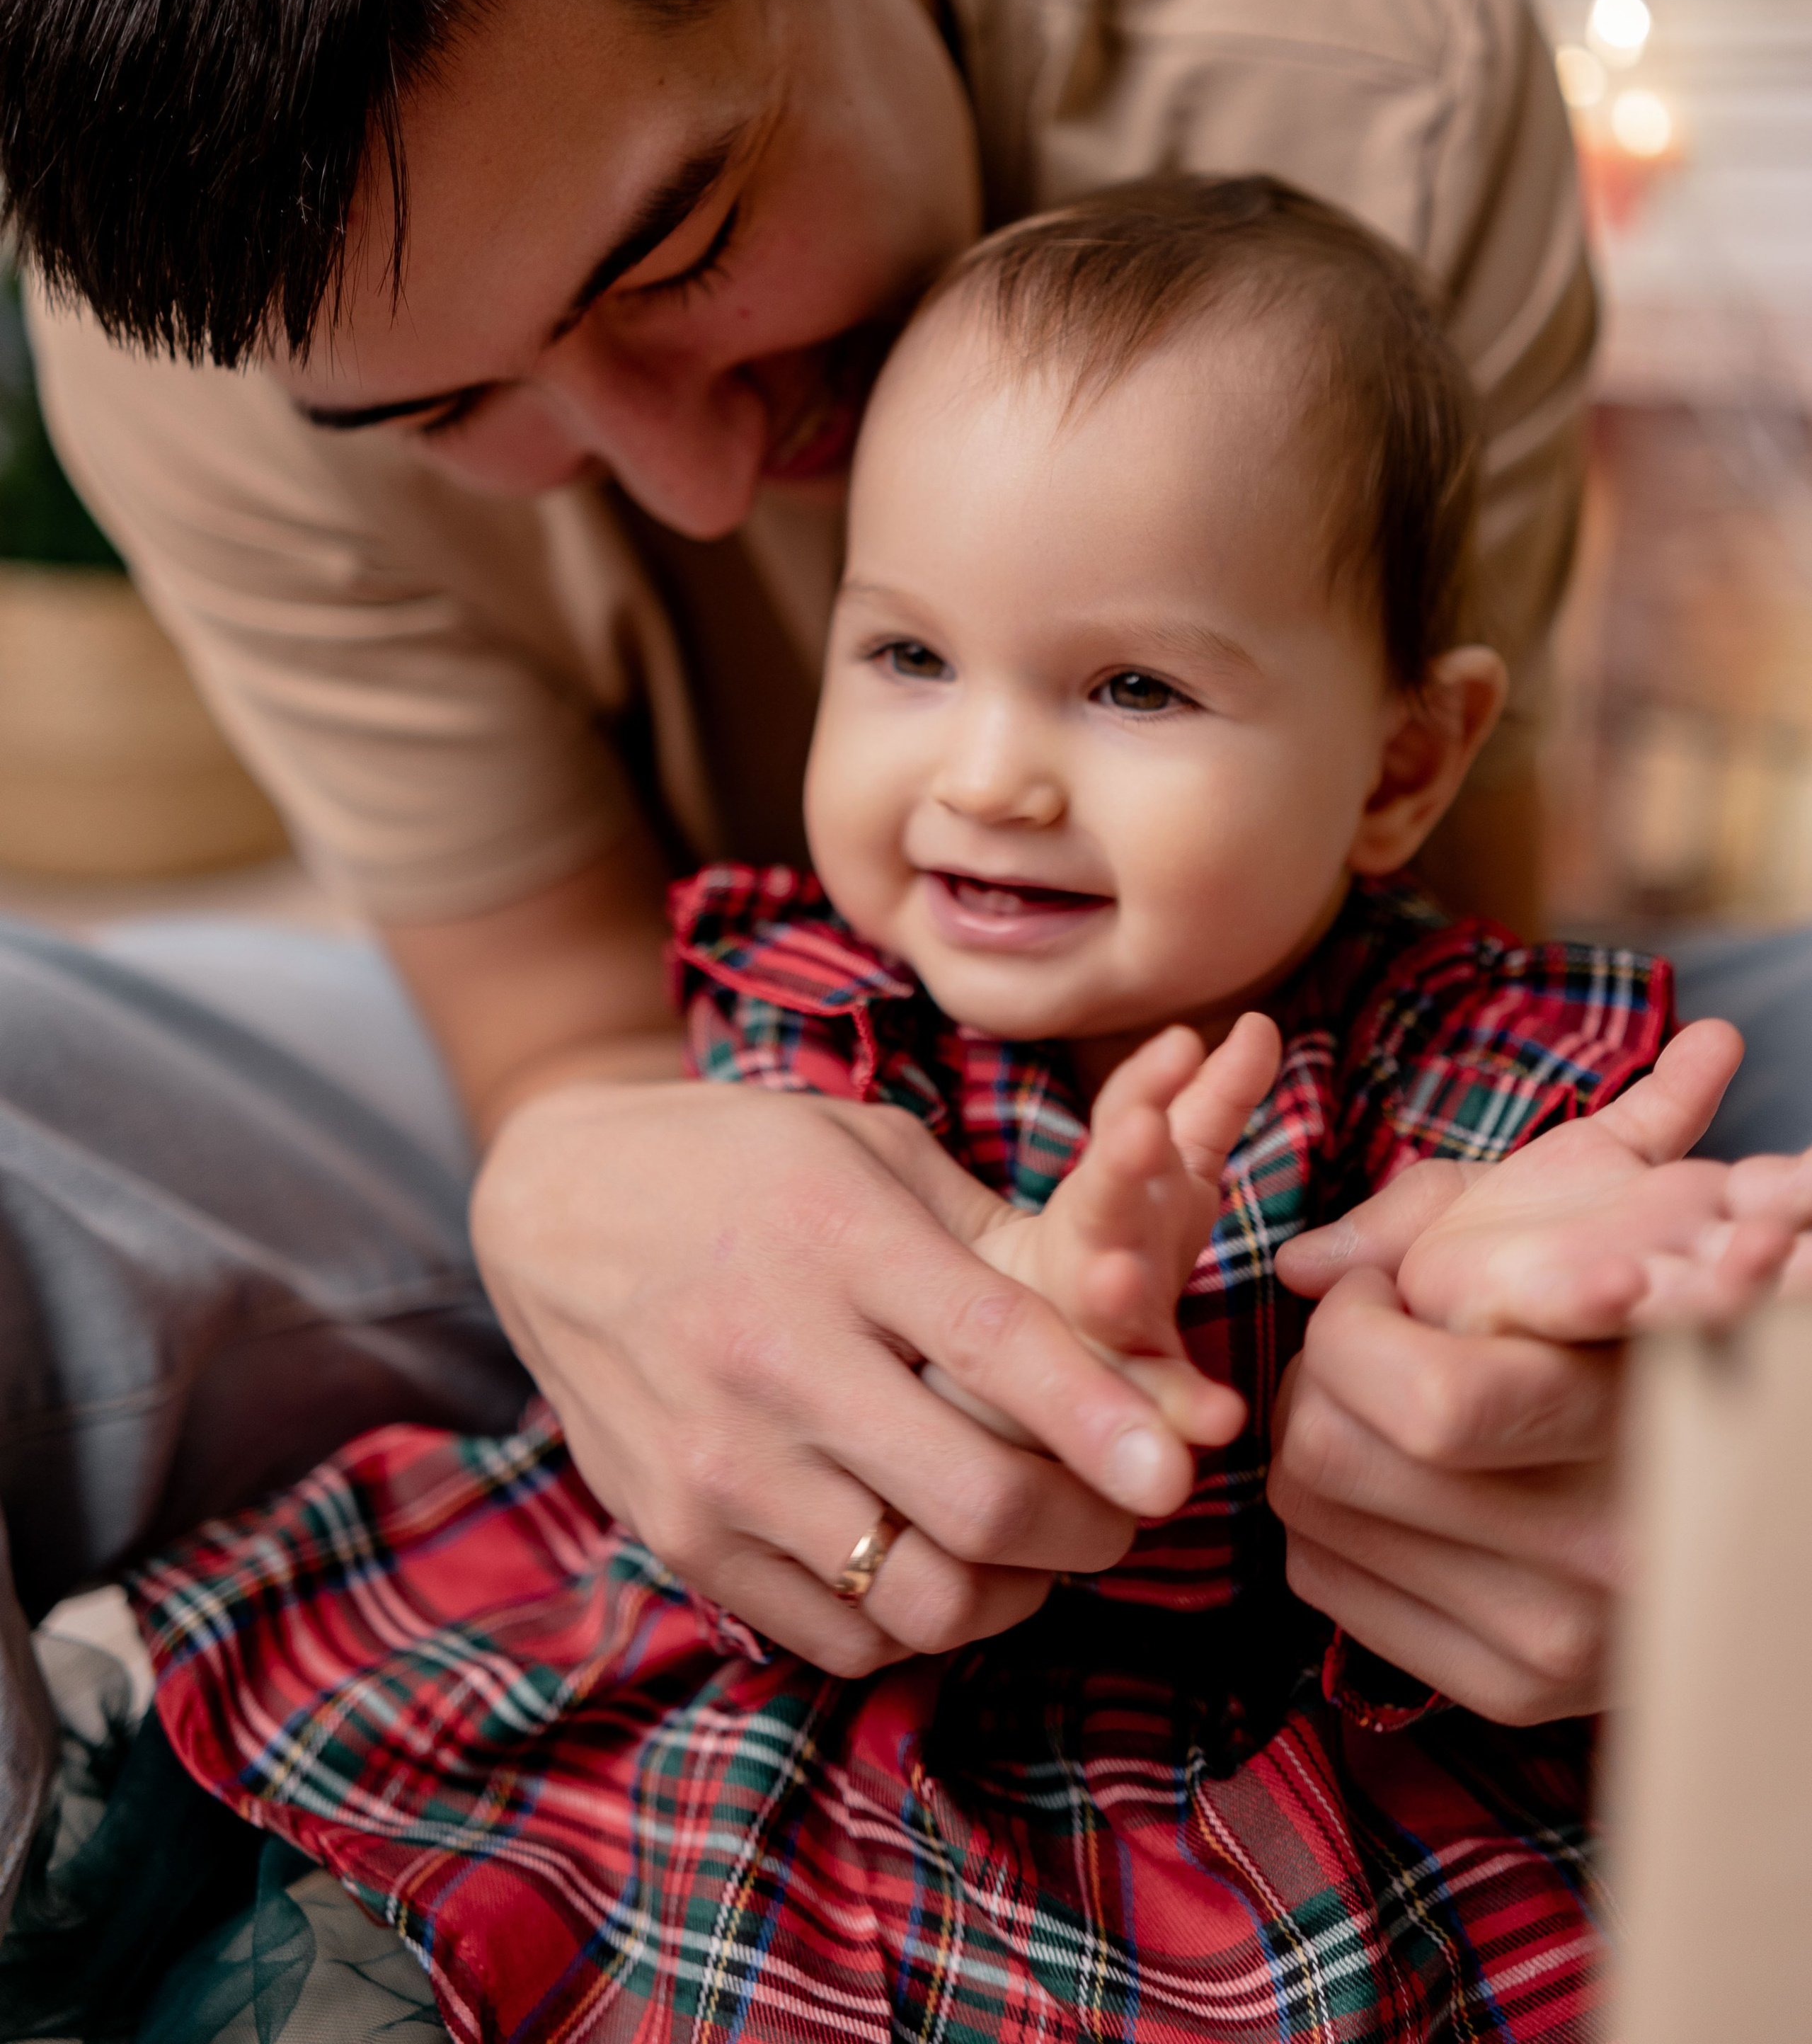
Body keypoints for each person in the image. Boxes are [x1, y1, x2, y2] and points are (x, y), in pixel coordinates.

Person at [0, 0, 1724, 1909]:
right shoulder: (194, 334)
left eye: (677, 248)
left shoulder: (1371, 80)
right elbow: (553, 1018)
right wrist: (588, 1181)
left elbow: (1438, 937)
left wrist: (1503, 1387)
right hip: (674, 1006)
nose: (690, 489)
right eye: (447, 407)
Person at [128, 184, 1808, 2041]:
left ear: (1402, 766)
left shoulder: (1463, 1047)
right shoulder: (821, 1013)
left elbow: (1479, 1298)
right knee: (399, 1961)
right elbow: (802, 1393)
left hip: (1265, 1788)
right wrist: (1037, 1294)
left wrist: (1537, 1278)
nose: (989, 775)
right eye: (911, 657)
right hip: (797, 1719)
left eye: (1134, 686)